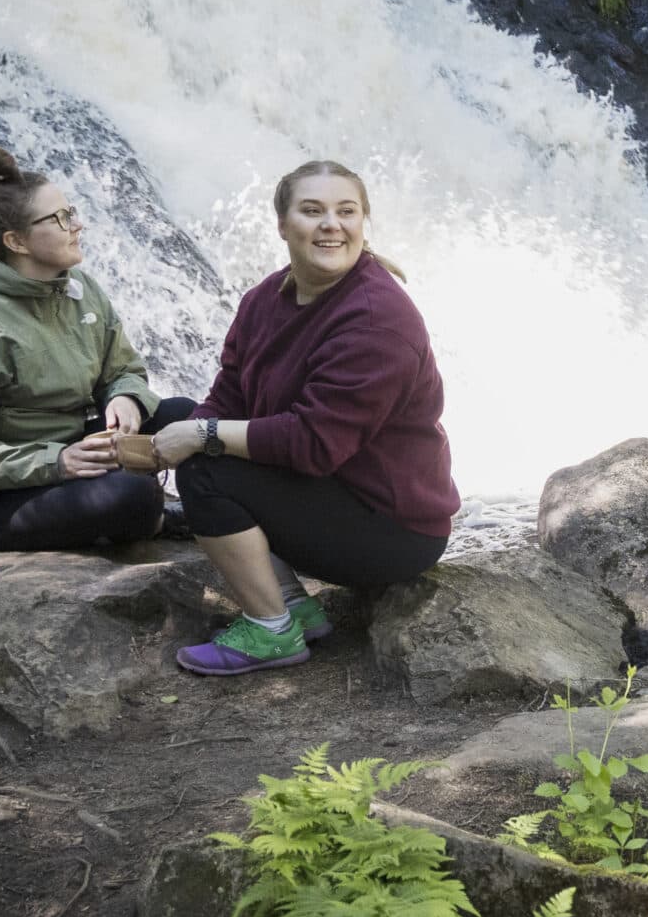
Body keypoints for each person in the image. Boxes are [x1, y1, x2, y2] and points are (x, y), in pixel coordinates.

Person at [148, 159, 458, 676]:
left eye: (346, 211)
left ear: (363, 222)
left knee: (205, 466)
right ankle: (292, 606)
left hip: (392, 529)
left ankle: (270, 631)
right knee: (183, 418)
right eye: (312, 211)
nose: (330, 224)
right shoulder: (266, 298)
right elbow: (229, 393)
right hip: (331, 490)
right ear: (283, 225)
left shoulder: (378, 319)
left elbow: (315, 442)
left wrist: (201, 438)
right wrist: (191, 429)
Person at [0, 147, 192, 551]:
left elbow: (123, 368)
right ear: (16, 241)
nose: (77, 225)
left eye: (71, 211)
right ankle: (153, 517)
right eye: (61, 218)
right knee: (129, 495)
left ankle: (207, 517)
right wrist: (57, 462)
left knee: (189, 417)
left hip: (73, 448)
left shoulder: (80, 289)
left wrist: (126, 399)